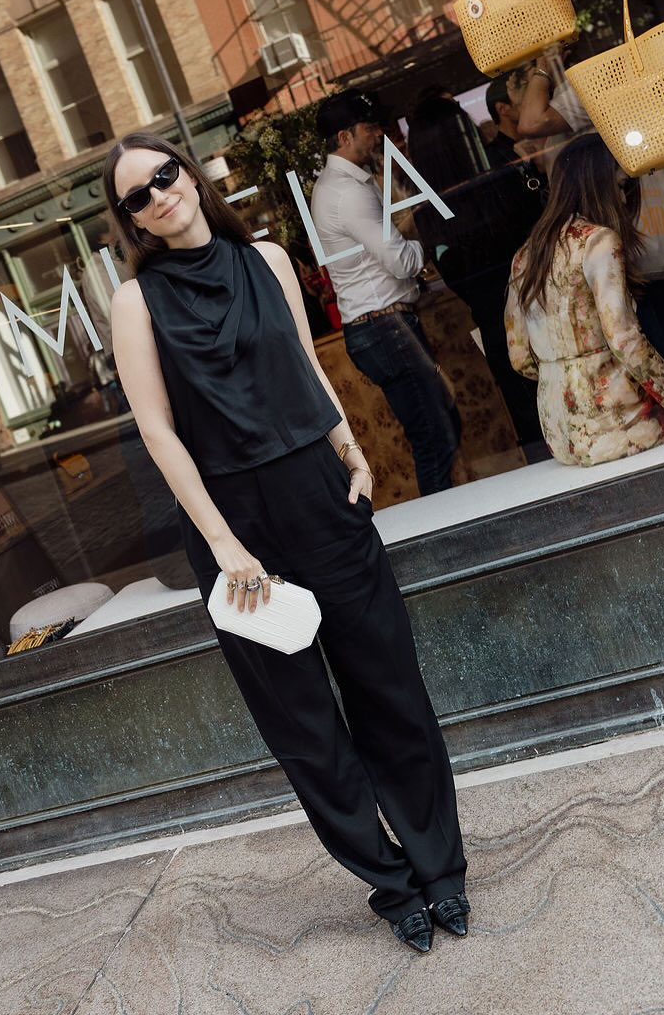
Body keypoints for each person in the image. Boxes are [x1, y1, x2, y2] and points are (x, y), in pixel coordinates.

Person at [107, 131, 469, 954]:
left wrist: (353, 451)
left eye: (166, 174)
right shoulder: (137, 303)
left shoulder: (267, 260)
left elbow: (306, 364)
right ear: (129, 218)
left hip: (320, 494)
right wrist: (226, 546)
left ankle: (440, 867)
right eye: (139, 194)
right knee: (304, 722)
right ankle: (389, 879)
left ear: (190, 173)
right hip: (234, 531)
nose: (161, 194)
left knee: (391, 689)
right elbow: (160, 435)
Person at [504, 133, 664, 466]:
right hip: (617, 425)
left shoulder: (525, 255)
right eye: (622, 186)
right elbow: (625, 342)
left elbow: (520, 357)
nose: (626, 199)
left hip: (562, 435)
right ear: (600, 185)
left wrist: (571, 378)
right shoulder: (598, 242)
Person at [309, 90, 461, 495]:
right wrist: (426, 241)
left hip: (383, 327)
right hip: (384, 327)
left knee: (440, 428)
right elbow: (399, 261)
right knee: (436, 436)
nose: (377, 135)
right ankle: (445, 536)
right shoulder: (348, 192)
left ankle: (448, 528)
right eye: (369, 128)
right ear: (344, 137)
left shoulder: (344, 186)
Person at [408, 94, 545, 453]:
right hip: (541, 310)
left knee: (531, 422)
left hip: (496, 329)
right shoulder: (499, 178)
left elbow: (455, 274)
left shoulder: (428, 212)